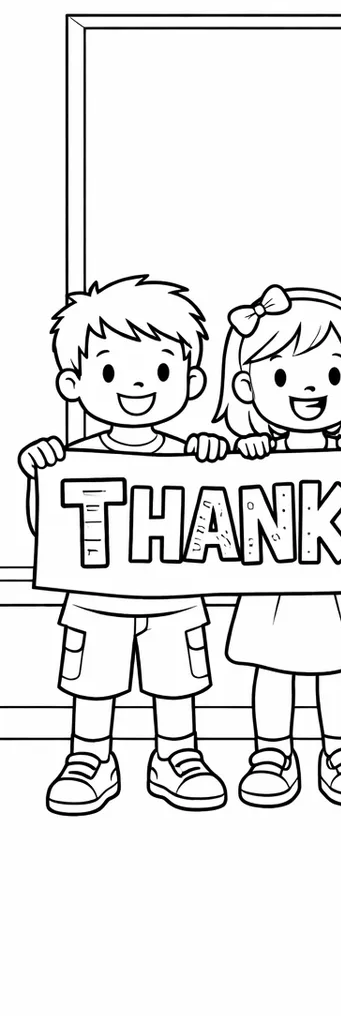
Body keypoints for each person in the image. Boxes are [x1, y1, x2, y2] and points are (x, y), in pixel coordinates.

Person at [19, 276, 230, 815]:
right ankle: (89, 756)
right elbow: (48, 532)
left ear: (192, 380)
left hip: (174, 599)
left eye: (160, 371)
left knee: (176, 682)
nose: (137, 386)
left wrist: (214, 459)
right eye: (111, 372)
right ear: (73, 383)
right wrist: (39, 477)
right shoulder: (72, 459)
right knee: (92, 682)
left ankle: (178, 755)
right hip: (96, 600)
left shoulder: (190, 455)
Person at [215, 284, 341, 807]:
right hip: (273, 586)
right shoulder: (252, 454)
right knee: (272, 670)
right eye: (282, 376)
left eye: (333, 376)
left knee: (339, 670)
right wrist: (241, 452)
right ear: (247, 386)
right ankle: (271, 752)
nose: (310, 388)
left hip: (336, 585)